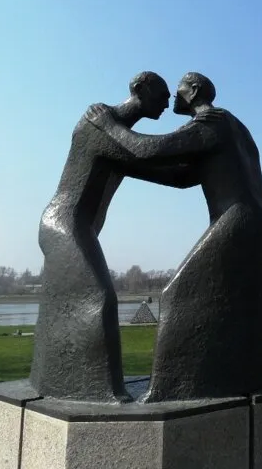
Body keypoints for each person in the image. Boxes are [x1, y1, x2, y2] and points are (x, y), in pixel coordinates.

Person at [85, 72, 262, 401]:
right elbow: (182, 176)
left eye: (180, 89)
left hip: (238, 218)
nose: (174, 95)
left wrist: (107, 127)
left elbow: (148, 150)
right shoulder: (232, 125)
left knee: (178, 294)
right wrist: (124, 164)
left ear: (195, 91)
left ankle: (169, 389)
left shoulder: (209, 124)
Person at [30, 72, 171, 402]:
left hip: (79, 227)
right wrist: (197, 138)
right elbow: (146, 153)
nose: (167, 102)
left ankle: (53, 379)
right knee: (98, 298)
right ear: (140, 89)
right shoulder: (100, 122)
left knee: (64, 305)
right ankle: (102, 391)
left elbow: (167, 172)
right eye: (162, 94)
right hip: (63, 223)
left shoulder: (119, 134)